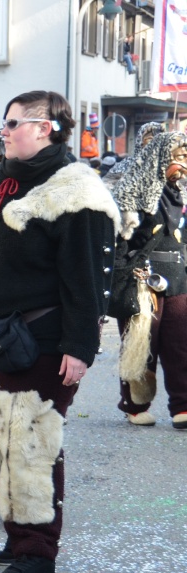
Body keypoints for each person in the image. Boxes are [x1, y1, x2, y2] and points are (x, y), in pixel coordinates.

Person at [0, 90, 119, 573]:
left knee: (32, 443)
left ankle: (37, 551)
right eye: (5, 121)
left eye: (15, 122)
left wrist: (80, 348)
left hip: (40, 339)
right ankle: (19, 536)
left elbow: (88, 279)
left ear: (47, 128)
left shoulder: (77, 191)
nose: (5, 130)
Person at [110, 131, 187, 429]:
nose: (183, 165)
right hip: (143, 278)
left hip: (179, 275)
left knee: (180, 343)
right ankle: (135, 404)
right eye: (178, 159)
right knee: (142, 344)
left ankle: (182, 404)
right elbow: (122, 241)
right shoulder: (134, 191)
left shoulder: (181, 189)